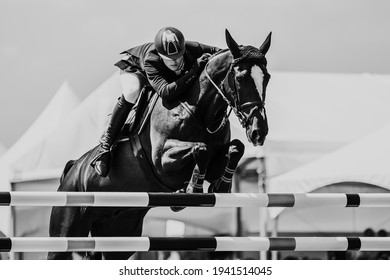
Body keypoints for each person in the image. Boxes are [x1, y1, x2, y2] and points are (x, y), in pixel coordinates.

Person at [91, 27, 221, 177]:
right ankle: (105, 147)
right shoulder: (151, 60)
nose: (175, 62)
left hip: (160, 76)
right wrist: (194, 70)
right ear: (160, 55)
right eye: (169, 59)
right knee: (132, 92)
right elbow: (166, 92)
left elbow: (223, 53)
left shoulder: (192, 48)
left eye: (179, 56)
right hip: (134, 68)